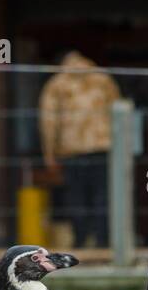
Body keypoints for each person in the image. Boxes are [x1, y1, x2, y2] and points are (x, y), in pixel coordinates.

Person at [39, 51, 121, 248]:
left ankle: (81, 240)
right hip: (102, 146)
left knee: (76, 197)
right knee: (103, 195)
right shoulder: (103, 79)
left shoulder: (57, 84)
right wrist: (121, 150)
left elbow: (48, 121)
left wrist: (49, 154)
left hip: (72, 149)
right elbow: (119, 113)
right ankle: (103, 241)